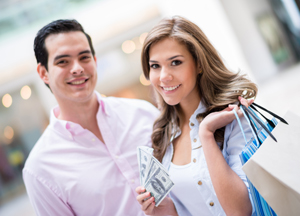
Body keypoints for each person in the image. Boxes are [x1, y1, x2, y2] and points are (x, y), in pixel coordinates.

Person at [22, 19, 159, 216]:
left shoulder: (143, 113)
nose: (77, 68)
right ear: (44, 73)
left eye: (84, 57)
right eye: (63, 61)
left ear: (95, 62)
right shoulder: (40, 169)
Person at [135, 16, 257, 216]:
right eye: (155, 66)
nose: (164, 76)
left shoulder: (235, 115)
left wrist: (206, 134)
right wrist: (167, 210)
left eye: (175, 62)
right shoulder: (163, 133)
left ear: (199, 63)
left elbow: (240, 211)